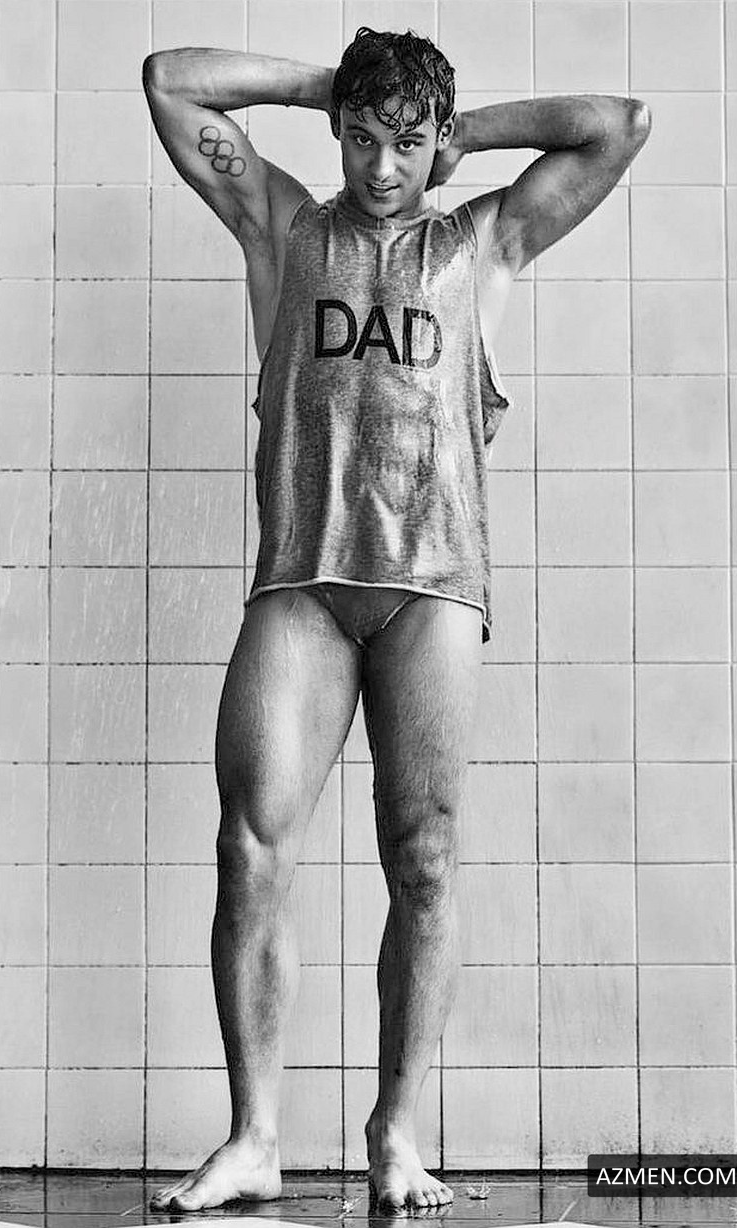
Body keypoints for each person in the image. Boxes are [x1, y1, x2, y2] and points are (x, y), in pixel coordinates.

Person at [142, 27, 650, 1214]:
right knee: (250, 845)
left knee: (423, 859)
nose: (381, 166)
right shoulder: (284, 228)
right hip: (305, 584)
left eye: (406, 143)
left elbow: (618, 126)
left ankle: (396, 1134)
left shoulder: (483, 241)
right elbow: (170, 83)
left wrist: (462, 136)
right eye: (362, 138)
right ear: (339, 131)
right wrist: (327, 88)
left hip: (432, 589)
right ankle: (255, 1136)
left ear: (437, 144)